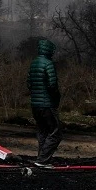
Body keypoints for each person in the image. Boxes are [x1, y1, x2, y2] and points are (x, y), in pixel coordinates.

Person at [28, 37, 62, 166]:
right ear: (49, 50)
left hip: (35, 104)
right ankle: (43, 160)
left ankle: (41, 159)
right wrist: (56, 99)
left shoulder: (34, 63)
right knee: (55, 132)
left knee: (42, 132)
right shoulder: (48, 64)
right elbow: (52, 85)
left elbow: (29, 83)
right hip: (47, 104)